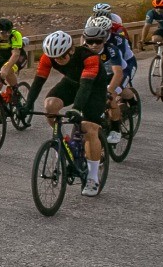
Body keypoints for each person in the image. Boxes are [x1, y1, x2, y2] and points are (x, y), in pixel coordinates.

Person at [23, 30, 110, 195]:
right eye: (55, 58)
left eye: (62, 57)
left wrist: (76, 109)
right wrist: (28, 104)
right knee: (50, 105)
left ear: (70, 50)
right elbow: (38, 81)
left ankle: (92, 178)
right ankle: (64, 142)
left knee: (88, 127)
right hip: (71, 83)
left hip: (94, 87)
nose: (58, 61)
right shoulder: (48, 56)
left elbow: (86, 86)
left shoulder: (89, 56)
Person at [93, 16, 138, 148]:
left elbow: (119, 64)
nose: (101, 35)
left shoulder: (118, 40)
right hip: (107, 68)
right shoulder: (93, 40)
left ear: (110, 30)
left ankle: (132, 104)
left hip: (125, 66)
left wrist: (112, 88)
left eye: (105, 32)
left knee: (115, 93)